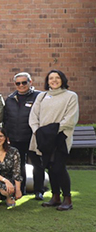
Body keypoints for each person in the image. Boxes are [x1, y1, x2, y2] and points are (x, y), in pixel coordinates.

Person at [29, 69, 79, 211]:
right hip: (43, 138)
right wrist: (37, 131)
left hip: (60, 137)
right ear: (47, 81)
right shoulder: (42, 96)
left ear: (62, 79)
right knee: (50, 167)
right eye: (51, 78)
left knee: (59, 167)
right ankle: (55, 197)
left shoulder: (70, 96)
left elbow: (70, 119)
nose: (54, 80)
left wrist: (50, 131)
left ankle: (67, 199)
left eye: (57, 77)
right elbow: (33, 116)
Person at [3, 72, 44, 199]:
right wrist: (6, 135)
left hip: (33, 138)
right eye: (18, 83)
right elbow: (6, 119)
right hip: (15, 138)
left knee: (37, 164)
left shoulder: (39, 97)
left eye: (24, 82)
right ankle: (21, 189)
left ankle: (39, 191)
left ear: (30, 82)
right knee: (19, 166)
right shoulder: (10, 99)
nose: (21, 85)